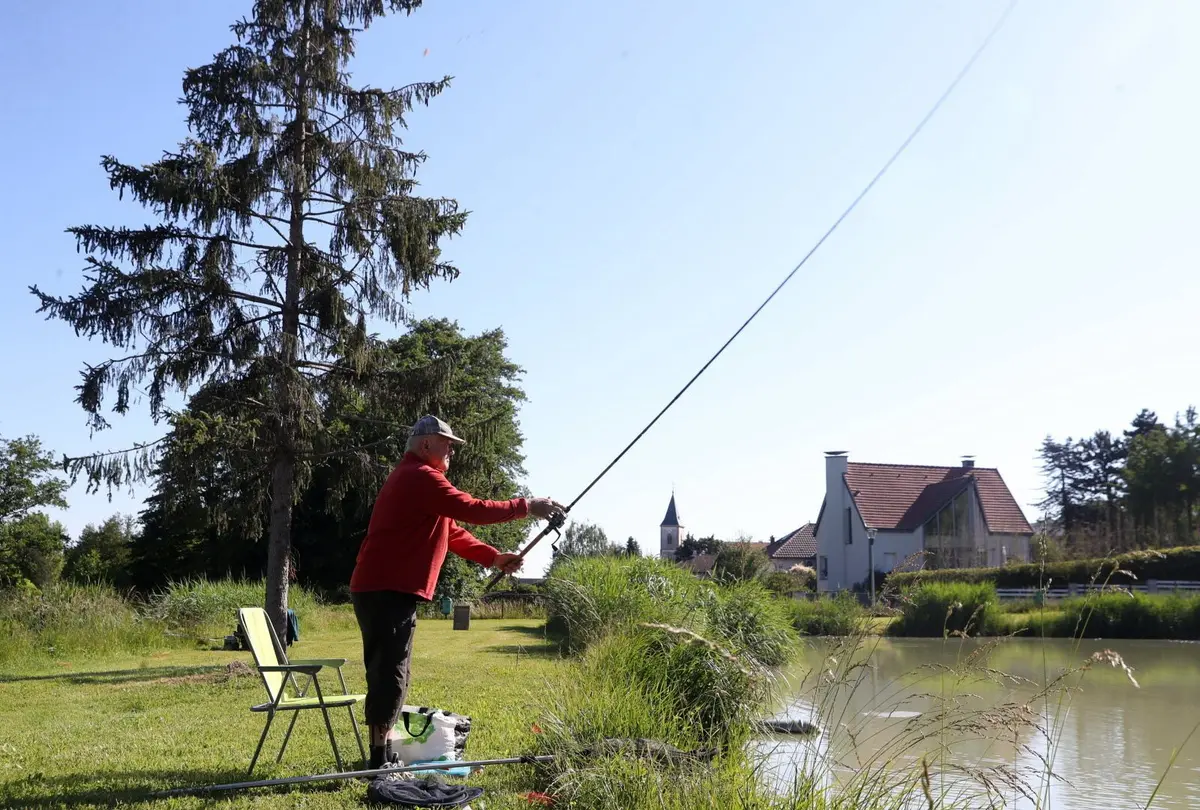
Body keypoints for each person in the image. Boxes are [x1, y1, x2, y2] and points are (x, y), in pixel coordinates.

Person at [349, 414, 564, 769]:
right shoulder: (419, 477)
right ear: (426, 444)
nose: (452, 450)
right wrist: (528, 506)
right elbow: (472, 509)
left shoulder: (419, 481)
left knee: (394, 673)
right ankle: (377, 763)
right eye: (448, 444)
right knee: (389, 674)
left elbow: (453, 533)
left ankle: (383, 755)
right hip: (385, 589)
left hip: (387, 589)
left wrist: (494, 558)